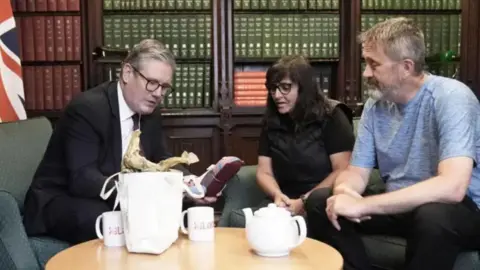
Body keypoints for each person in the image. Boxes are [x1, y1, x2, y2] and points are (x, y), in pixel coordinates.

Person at [305, 17, 480, 270]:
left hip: (461, 210)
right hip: (400, 204)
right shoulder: (376, 106)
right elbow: (356, 172)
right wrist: (344, 194)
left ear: (406, 67)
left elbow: (452, 187)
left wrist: (363, 205)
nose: (365, 73)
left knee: (433, 215)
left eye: (373, 64)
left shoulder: (452, 97)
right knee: (321, 201)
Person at [23, 39, 214, 244]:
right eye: (152, 83)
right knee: (113, 220)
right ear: (127, 73)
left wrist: (189, 183)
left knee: (189, 209)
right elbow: (83, 178)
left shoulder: (150, 111)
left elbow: (161, 158)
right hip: (61, 199)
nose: (158, 93)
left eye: (164, 87)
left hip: (121, 195)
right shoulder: (87, 108)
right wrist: (140, 196)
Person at [255, 55, 355, 216]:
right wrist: (277, 195)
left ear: (303, 88)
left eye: (285, 87)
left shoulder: (332, 115)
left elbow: (342, 169)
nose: (277, 95)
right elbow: (263, 171)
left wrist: (303, 201)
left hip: (323, 197)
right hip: (284, 199)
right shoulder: (271, 120)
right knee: (250, 222)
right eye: (273, 88)